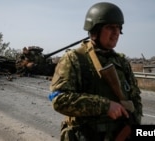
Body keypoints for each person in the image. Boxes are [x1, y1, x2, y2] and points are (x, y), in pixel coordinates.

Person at [49, 2, 142, 141]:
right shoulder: (75, 59)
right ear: (95, 30)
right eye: (110, 27)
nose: (116, 32)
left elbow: (136, 99)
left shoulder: (122, 62)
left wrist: (133, 124)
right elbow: (59, 99)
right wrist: (105, 106)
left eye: (118, 27)